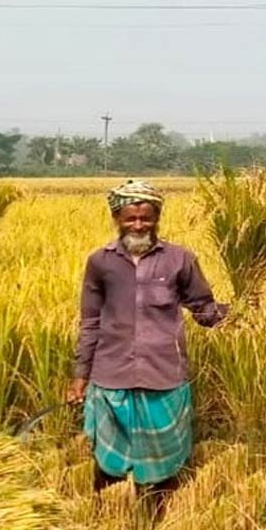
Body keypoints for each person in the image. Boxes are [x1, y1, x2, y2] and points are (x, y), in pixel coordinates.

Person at [65, 180, 228, 500]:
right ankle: (110, 512)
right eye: (130, 218)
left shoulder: (180, 259)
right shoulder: (100, 262)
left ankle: (160, 510)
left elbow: (203, 309)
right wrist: (80, 375)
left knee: (164, 457)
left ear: (157, 218)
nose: (138, 225)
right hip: (112, 372)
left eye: (147, 218)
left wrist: (237, 311)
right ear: (116, 218)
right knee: (110, 460)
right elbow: (90, 322)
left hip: (163, 373)